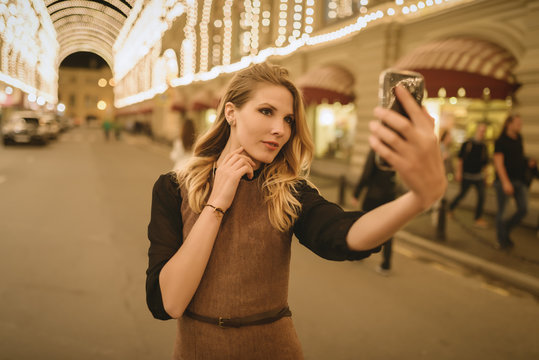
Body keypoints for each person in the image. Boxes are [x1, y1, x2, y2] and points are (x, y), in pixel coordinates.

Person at [146, 63, 446, 359]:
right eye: (266, 111)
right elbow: (168, 303)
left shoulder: (288, 191)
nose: (280, 130)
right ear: (231, 112)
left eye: (289, 119)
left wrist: (418, 199)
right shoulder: (173, 188)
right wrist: (217, 204)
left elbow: (344, 235)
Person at [352, 149, 397, 275]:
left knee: (365, 224)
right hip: (389, 196)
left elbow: (366, 174)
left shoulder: (376, 150)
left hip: (373, 195)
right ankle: (386, 264)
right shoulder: (396, 150)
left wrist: (356, 193)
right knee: (389, 229)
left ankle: (359, 253)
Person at [493, 114, 527, 250]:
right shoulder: (500, 141)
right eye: (517, 122)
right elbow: (498, 163)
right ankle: (502, 240)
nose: (520, 125)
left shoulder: (519, 138)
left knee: (524, 209)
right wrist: (505, 182)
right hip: (504, 182)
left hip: (519, 180)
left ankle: (505, 229)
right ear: (509, 124)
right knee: (502, 212)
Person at [448, 123, 489, 227]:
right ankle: (450, 209)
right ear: (476, 130)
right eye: (481, 130)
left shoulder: (484, 146)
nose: (482, 133)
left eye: (484, 131)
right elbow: (460, 159)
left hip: (478, 176)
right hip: (467, 175)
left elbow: (485, 163)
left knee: (482, 196)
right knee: (462, 194)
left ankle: (478, 217)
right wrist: (458, 172)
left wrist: (486, 176)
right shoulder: (467, 143)